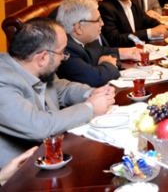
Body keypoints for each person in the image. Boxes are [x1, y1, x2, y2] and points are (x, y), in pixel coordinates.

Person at [0, 18, 115, 167]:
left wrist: (92, 93)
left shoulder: (36, 67)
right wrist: (91, 108)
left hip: (52, 153)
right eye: (61, 53)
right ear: (42, 58)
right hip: (21, 172)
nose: (63, 58)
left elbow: (62, 88)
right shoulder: (4, 81)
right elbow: (39, 126)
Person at [56, 0, 141, 87]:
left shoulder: (87, 39)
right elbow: (95, 78)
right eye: (98, 20)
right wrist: (108, 64)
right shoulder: (65, 49)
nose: (102, 24)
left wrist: (122, 54)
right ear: (79, 28)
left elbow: (104, 52)